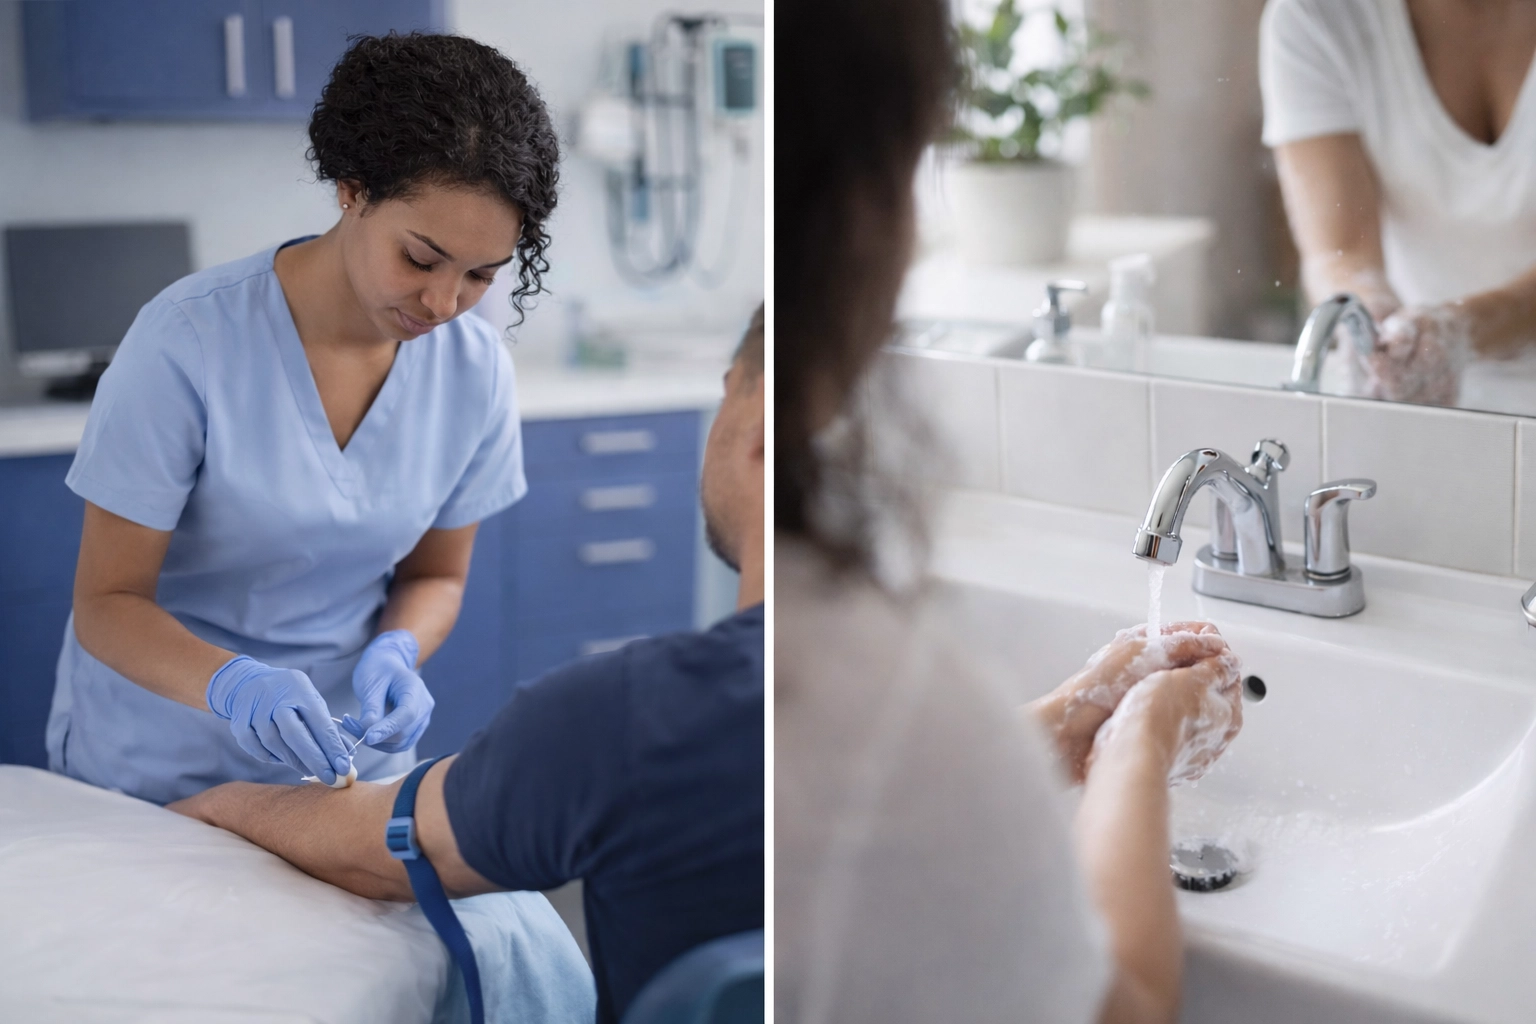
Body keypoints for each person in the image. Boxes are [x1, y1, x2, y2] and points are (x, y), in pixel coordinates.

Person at [775, 2, 1244, 1023]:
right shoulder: (875, 691)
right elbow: (1124, 1003)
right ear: (856, 217)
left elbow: (884, 827)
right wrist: (1137, 749)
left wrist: (1072, 710)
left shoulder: (826, 673)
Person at [170, 308, 765, 1024]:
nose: (444, 296)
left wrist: (211, 806)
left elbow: (378, 850)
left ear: (757, 421)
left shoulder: (630, 717)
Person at [49, 33, 557, 804]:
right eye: (420, 259)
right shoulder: (188, 339)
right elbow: (106, 606)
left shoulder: (474, 370)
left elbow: (437, 575)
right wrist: (233, 684)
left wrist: (398, 648)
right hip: (161, 764)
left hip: (342, 765)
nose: (444, 304)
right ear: (353, 190)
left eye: (481, 275)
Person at [1262, 0, 1536, 405]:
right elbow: (1341, 252)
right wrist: (1375, 328)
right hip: (1432, 391)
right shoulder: (1316, 15)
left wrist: (1463, 329)